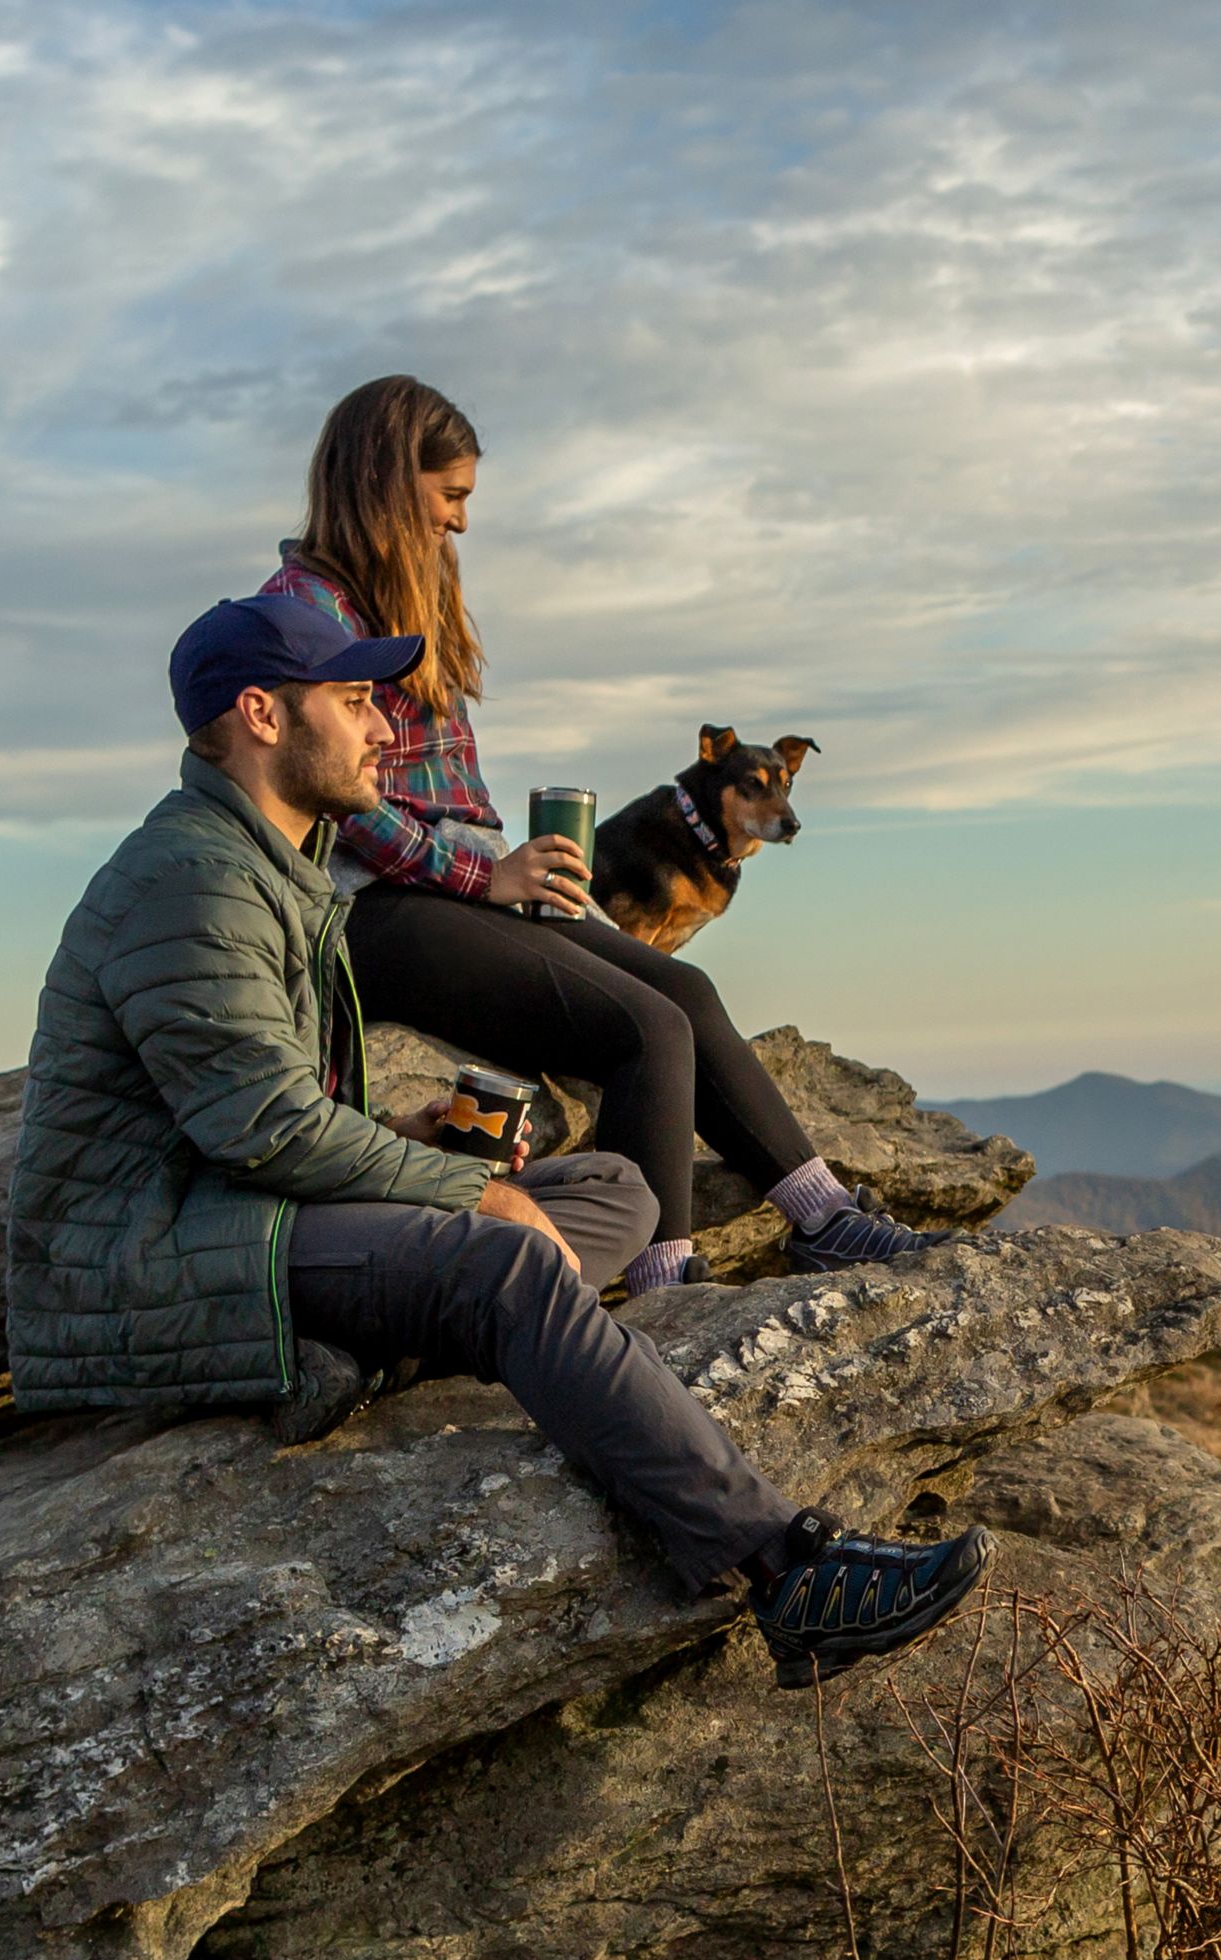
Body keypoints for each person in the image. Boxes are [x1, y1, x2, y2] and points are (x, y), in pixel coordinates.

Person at [4, 592, 994, 1688]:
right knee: (508, 1255)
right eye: (351, 701)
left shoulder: (269, 865)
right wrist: (466, 1197)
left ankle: (393, 1346)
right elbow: (261, 1128)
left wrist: (398, 1135)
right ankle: (781, 1574)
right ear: (261, 715)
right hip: (161, 1253)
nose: (383, 727)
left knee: (615, 1185)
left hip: (252, 1210)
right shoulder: (191, 877)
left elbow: (255, 1107)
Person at [258, 376, 951, 1296]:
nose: (461, 523)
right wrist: (484, 874)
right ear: (388, 481)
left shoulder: (411, 589)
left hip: (464, 884)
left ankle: (825, 1219)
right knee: (644, 1028)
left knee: (688, 990)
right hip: (373, 909)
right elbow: (341, 799)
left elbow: (444, 788)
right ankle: (664, 1283)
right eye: (451, 496)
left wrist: (517, 869)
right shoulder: (304, 608)